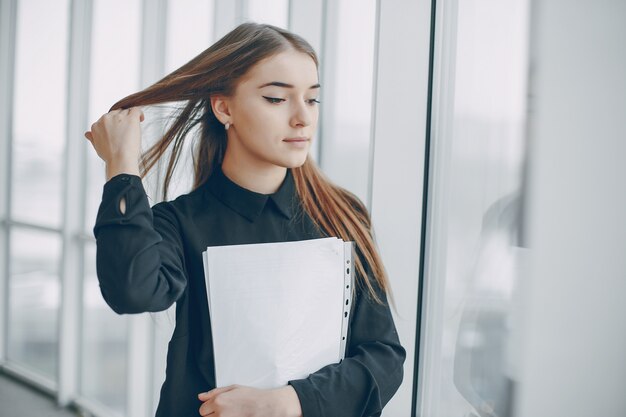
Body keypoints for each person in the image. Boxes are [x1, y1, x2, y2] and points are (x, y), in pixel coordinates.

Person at [85, 22, 405, 417]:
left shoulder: (342, 214)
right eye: (276, 98)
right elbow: (131, 291)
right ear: (224, 107)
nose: (303, 118)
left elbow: (383, 357)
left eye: (313, 100)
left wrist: (283, 402)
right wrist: (121, 169)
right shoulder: (177, 222)